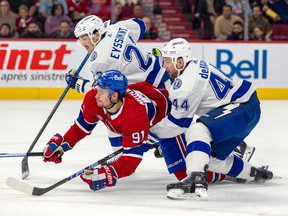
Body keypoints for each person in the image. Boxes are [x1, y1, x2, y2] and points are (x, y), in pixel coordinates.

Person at [150, 38, 273, 199]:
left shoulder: (187, 84)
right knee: (211, 159)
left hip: (242, 107)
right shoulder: (192, 66)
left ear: (180, 62)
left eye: (167, 61)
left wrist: (148, 134)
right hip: (245, 110)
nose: (164, 66)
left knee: (198, 129)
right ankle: (255, 173)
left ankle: (195, 180)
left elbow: (179, 124)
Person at [43, 70, 170, 191]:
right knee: (124, 148)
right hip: (136, 120)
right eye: (97, 90)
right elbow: (81, 127)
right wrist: (63, 145)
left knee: (179, 169)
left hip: (165, 121)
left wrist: (106, 173)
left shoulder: (134, 115)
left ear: (114, 96)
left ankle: (158, 145)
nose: (96, 95)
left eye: (102, 92)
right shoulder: (94, 97)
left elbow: (131, 161)